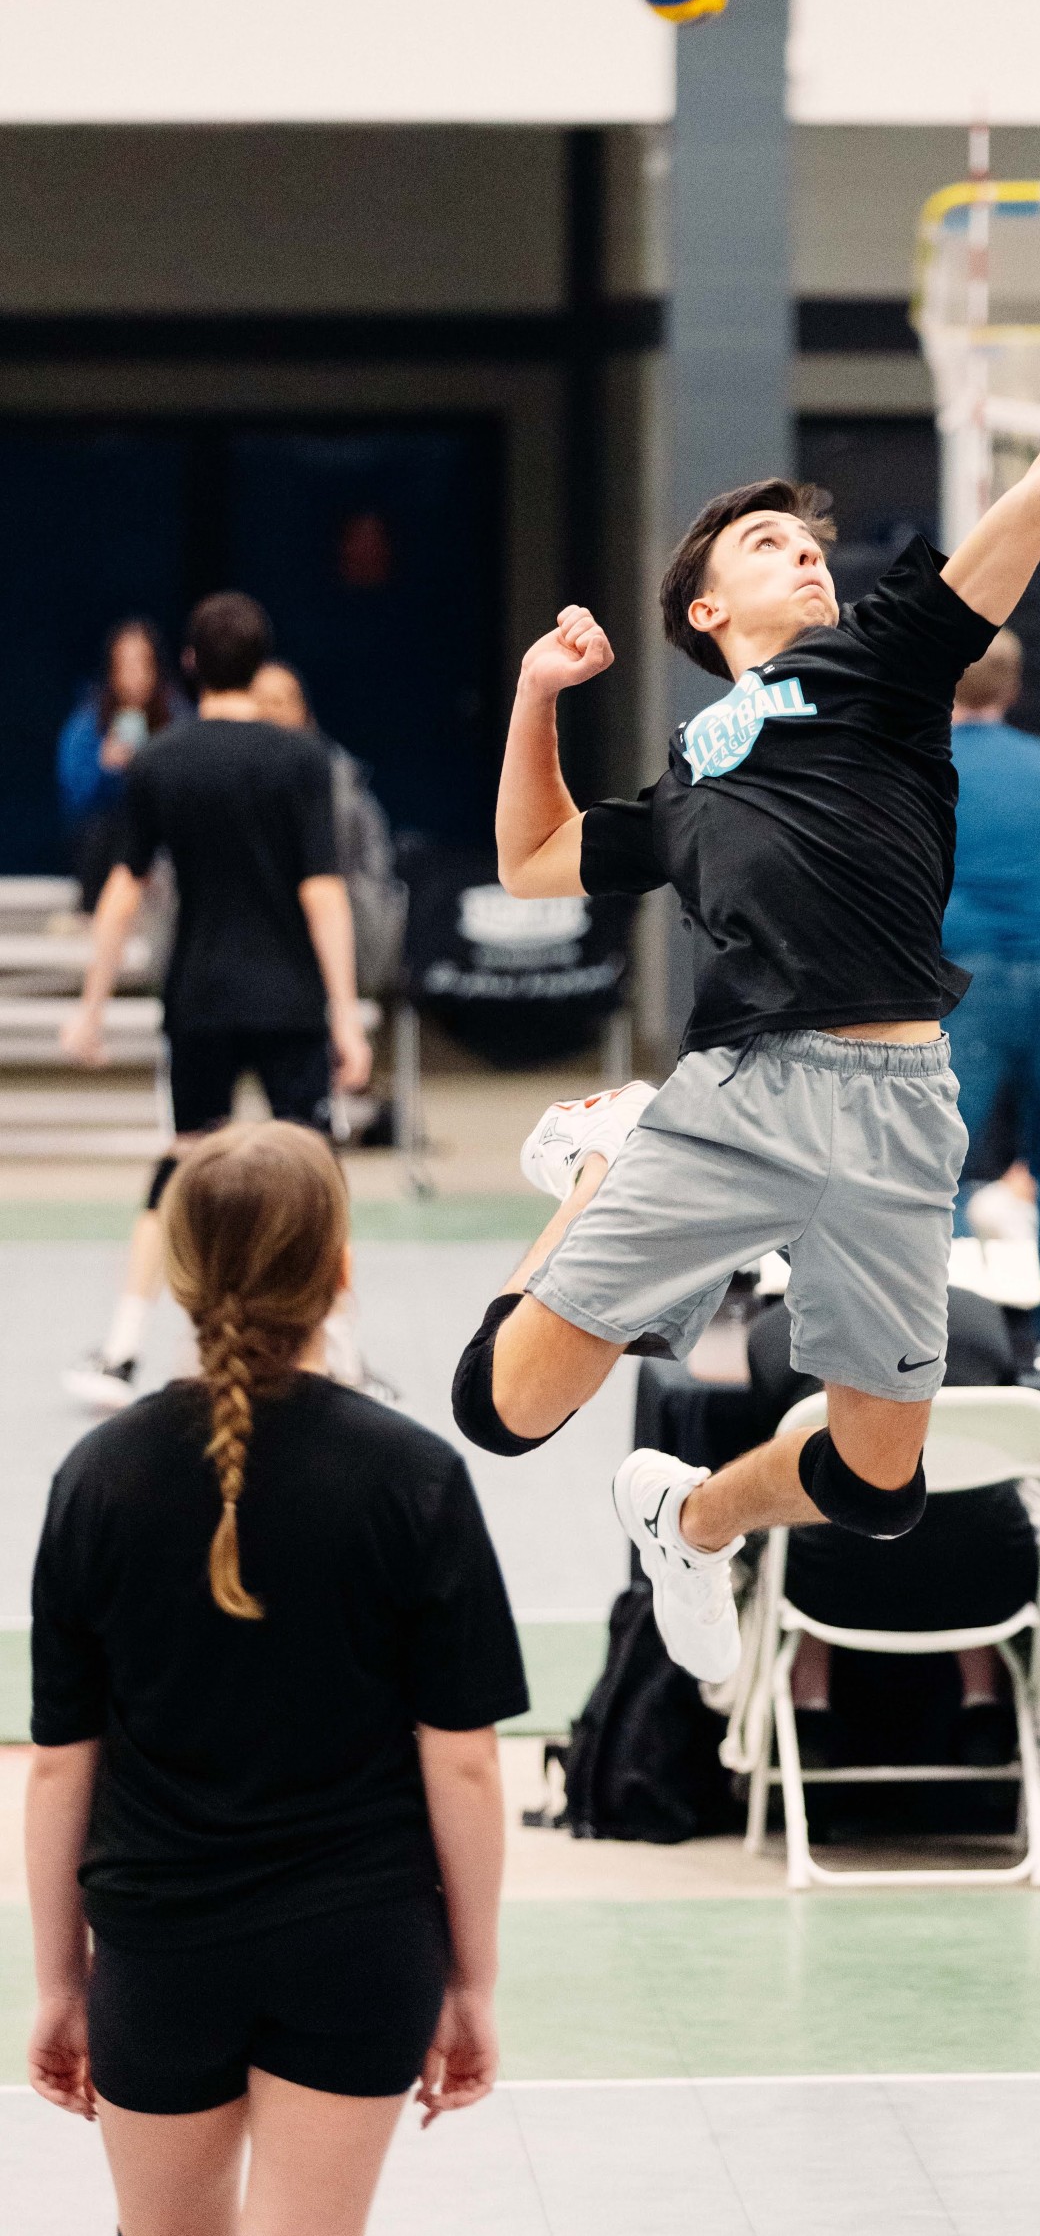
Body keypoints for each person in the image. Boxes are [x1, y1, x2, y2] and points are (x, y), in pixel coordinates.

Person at [450, 220, 1040, 1688]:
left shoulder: (883, 663)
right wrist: (536, 693)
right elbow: (533, 859)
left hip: (901, 1105)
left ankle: (694, 1518)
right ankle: (605, 1158)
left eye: (814, 544)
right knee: (499, 1409)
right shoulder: (692, 773)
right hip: (739, 1096)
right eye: (771, 544)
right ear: (708, 609)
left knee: (876, 1480)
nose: (809, 557)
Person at [25, 1121, 524, 2235]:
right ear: (340, 1268)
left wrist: (59, 1981)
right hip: (360, 1939)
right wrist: (472, 1980)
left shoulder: (97, 1477)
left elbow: (60, 1764)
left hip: (160, 1944)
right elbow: (466, 1764)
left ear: (178, 1274)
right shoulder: (414, 1476)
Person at [58, 592, 374, 1413]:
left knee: (181, 1165)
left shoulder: (161, 760)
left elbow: (123, 892)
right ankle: (342, 1356)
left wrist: (91, 1006)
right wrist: (346, 1013)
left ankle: (123, 1349)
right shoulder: (302, 759)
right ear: (260, 662)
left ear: (191, 663)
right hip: (291, 1004)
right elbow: (324, 892)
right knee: (316, 1173)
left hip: (198, 1000)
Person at [748, 1282, 1036, 1768]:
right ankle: (983, 1703)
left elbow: (768, 1435)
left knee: (809, 1489)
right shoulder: (982, 1316)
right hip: (990, 1583)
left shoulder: (776, 1329)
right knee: (972, 1498)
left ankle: (808, 1707)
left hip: (830, 1589)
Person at [942, 628, 1040, 1342]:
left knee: (940, 1159)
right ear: (1013, 687)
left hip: (968, 975)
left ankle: (945, 1326)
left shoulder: (924, 764)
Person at [252, 658, 408, 997]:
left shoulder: (341, 785)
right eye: (258, 702)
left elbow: (366, 879)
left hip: (329, 956)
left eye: (279, 701)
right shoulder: (222, 781)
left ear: (304, 714)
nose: (268, 713)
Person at [56, 619, 185, 911]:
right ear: (111, 669)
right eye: (125, 664)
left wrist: (154, 765)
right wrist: (105, 770)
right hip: (109, 846)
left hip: (167, 840)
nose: (134, 675)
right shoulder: (87, 725)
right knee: (102, 832)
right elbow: (75, 801)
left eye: (143, 663)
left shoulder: (178, 721)